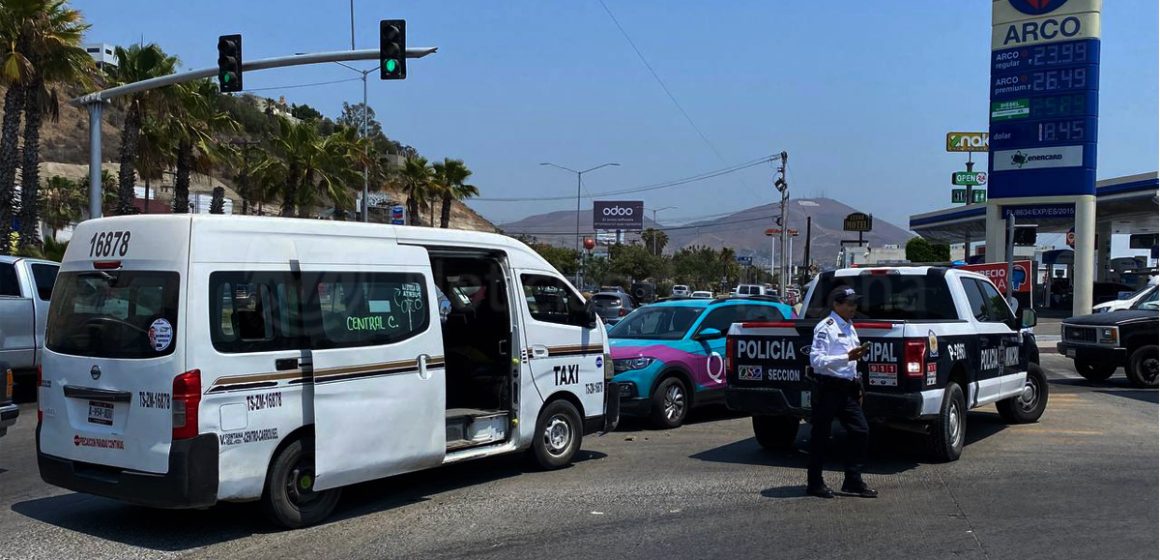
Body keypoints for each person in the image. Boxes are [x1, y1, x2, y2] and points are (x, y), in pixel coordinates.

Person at [805, 286, 877, 499]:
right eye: (849, 303)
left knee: (860, 431)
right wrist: (847, 357)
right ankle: (815, 483)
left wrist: (857, 382)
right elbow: (816, 360)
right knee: (820, 436)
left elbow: (852, 358)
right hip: (828, 387)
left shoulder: (849, 325)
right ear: (836, 305)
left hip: (847, 388)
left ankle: (852, 481)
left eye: (855, 303)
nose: (854, 307)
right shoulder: (825, 327)